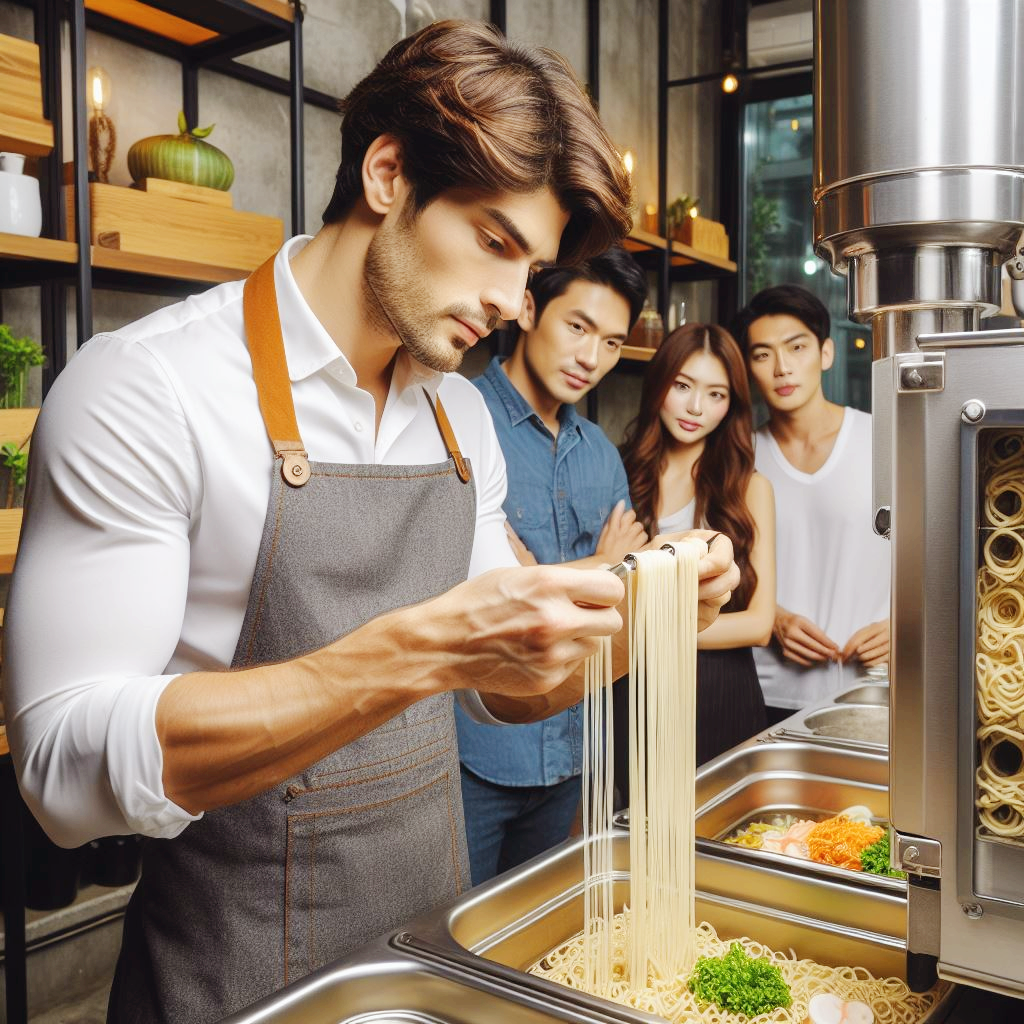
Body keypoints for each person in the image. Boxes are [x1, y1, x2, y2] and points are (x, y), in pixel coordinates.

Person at [1, 21, 739, 1024]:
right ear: (387, 172)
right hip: (238, 975)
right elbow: (62, 767)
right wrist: (418, 649)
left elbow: (509, 690)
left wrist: (647, 616)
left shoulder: (458, 410)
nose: (512, 304)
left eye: (533, 271)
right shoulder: (148, 390)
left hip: (431, 957)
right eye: (494, 244)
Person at [456, 246, 649, 884]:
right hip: (471, 755)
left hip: (573, 751)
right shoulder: (458, 419)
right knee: (453, 949)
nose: (592, 359)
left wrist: (589, 573)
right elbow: (480, 590)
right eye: (579, 327)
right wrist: (605, 561)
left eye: (614, 343)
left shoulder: (601, 455)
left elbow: (621, 602)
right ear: (529, 308)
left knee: (536, 942)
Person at [731, 283, 889, 723]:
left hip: (875, 685)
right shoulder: (739, 456)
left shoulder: (885, 439)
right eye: (762, 354)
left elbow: (938, 552)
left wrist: (907, 625)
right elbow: (717, 566)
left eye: (795, 347)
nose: (781, 368)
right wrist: (774, 620)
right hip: (766, 692)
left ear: (825, 354)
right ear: (747, 368)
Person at [621, 323, 775, 765]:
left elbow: (759, 624)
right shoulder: (618, 471)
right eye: (682, 385)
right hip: (635, 689)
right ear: (659, 382)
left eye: (715, 394)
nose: (695, 407)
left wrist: (649, 630)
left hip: (722, 692)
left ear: (732, 404)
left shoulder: (749, 488)